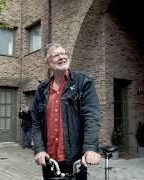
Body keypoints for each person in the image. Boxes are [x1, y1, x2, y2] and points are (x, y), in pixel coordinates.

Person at [31, 43, 101, 180]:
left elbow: (91, 116)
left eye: (64, 53)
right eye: (56, 55)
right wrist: (39, 149)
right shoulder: (41, 89)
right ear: (48, 63)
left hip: (76, 161)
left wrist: (90, 148)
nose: (62, 57)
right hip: (50, 161)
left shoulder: (83, 81)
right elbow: (36, 123)